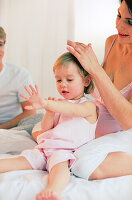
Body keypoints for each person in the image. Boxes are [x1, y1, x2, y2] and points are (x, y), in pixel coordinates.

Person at [0, 52, 98, 200]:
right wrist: (49, 112)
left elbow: (74, 110)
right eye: (58, 80)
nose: (62, 84)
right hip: (45, 149)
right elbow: (46, 129)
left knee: (60, 166)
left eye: (69, 79)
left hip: (65, 151)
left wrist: (48, 103)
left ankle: (54, 190)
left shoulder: (88, 106)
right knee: (22, 160)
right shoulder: (60, 105)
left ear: (86, 81)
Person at [67, 0, 132, 180]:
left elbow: (129, 121)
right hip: (102, 126)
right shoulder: (112, 42)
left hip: (127, 131)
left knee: (81, 162)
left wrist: (95, 69)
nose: (118, 25)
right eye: (119, 15)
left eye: (130, 22)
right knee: (44, 133)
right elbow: (98, 91)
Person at [0, 26, 36, 129]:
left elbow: (30, 111)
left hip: (12, 126)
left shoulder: (20, 74)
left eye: (0, 45)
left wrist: (1, 128)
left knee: (39, 118)